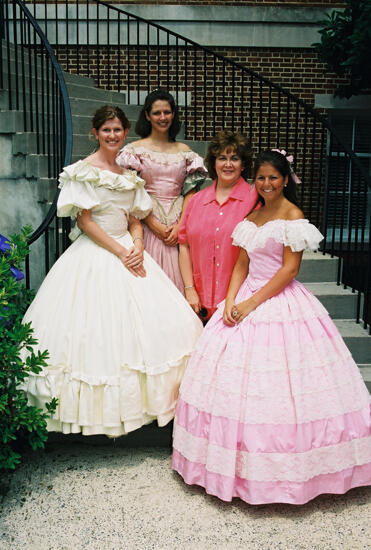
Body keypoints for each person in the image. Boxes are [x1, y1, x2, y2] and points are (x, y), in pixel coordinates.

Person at [172, 149, 371, 505]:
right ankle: (225, 466)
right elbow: (240, 265)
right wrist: (230, 302)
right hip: (244, 294)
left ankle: (288, 475)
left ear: (285, 180)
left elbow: (289, 271)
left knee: (282, 391)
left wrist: (251, 304)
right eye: (261, 178)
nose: (266, 184)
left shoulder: (293, 216)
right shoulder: (254, 215)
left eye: (273, 178)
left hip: (277, 299)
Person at [22, 105, 203, 437]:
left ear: (125, 133)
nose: (113, 135)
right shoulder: (83, 171)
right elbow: (85, 221)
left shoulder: (129, 175)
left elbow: (135, 217)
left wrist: (138, 245)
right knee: (93, 335)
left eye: (118, 130)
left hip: (130, 249)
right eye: (106, 130)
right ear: (95, 133)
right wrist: (121, 251)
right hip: (97, 252)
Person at [117, 89, 207, 294]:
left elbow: (191, 192)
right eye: (157, 113)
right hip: (147, 223)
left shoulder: (185, 152)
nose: (162, 117)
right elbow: (130, 193)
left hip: (178, 225)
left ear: (173, 114)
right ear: (147, 115)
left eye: (167, 112)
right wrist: (153, 224)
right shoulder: (134, 151)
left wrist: (181, 226)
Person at [178, 130, 258, 321]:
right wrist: (189, 290)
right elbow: (184, 245)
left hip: (238, 302)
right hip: (198, 302)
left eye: (235, 158)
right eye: (222, 158)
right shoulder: (196, 201)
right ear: (214, 163)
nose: (228, 164)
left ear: (243, 164)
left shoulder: (255, 201)